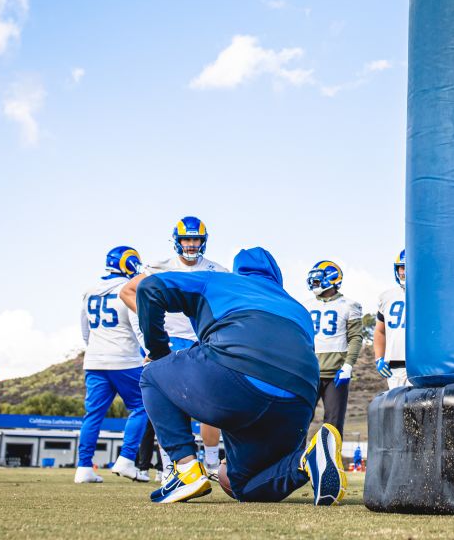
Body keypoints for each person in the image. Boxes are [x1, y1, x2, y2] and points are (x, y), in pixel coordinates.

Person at [119, 246, 346, 506]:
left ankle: (185, 469)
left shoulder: (216, 279)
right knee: (243, 485)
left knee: (151, 375)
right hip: (297, 403)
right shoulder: (297, 307)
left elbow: (149, 289)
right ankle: (307, 458)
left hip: (237, 379)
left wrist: (159, 351)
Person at [137, 216, 229, 480]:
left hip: (204, 341)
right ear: (177, 241)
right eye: (187, 239)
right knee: (169, 407)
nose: (191, 244)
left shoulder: (217, 270)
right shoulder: (158, 266)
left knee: (211, 406)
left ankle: (211, 463)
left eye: (196, 239)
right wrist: (149, 337)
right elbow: (130, 295)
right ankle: (171, 465)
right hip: (171, 340)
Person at [74, 246, 149, 484]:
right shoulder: (126, 290)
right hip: (125, 359)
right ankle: (126, 459)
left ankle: (83, 468)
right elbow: (139, 328)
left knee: (92, 415)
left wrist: (97, 349)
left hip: (95, 360)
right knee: (142, 406)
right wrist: (150, 351)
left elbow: (85, 331)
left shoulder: (88, 291)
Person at [301, 260, 364, 434]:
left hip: (336, 373)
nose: (314, 284)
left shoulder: (349, 305)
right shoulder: (305, 305)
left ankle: (331, 461)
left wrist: (348, 365)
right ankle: (295, 461)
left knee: (333, 425)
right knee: (300, 420)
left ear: (331, 279)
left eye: (317, 280)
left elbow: (356, 338)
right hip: (310, 372)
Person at [373, 249, 408, 389]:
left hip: (422, 366)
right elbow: (380, 331)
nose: (403, 271)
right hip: (395, 367)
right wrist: (379, 358)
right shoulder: (386, 296)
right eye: (401, 267)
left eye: (407, 266)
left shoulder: (430, 293)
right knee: (397, 410)